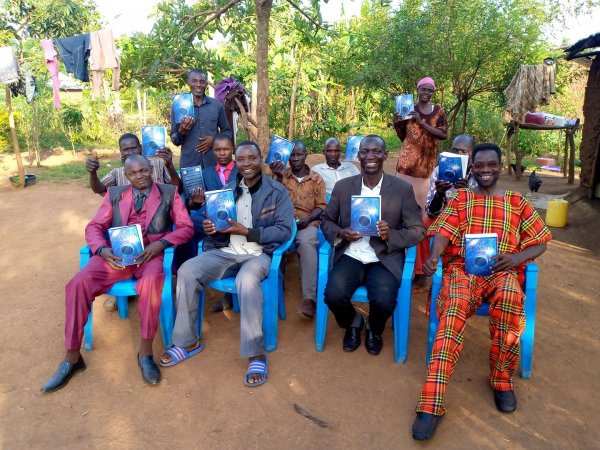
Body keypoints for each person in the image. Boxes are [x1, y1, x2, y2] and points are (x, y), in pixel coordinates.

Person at [412, 143, 551, 441]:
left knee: (512, 304)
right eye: (480, 165)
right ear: (471, 168)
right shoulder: (461, 198)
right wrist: (435, 255)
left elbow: (541, 240)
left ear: (500, 166)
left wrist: (516, 258)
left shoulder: (516, 201)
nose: (485, 169)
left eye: (491, 164)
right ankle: (431, 402)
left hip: (503, 272)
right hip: (463, 271)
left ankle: (501, 379)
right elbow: (443, 232)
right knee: (451, 316)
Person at [40, 155, 194, 392]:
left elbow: (185, 228)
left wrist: (161, 244)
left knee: (152, 283)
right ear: (127, 174)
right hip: (117, 256)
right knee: (77, 283)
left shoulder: (169, 192)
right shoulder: (115, 195)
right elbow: (94, 227)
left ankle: (145, 353)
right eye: (133, 173)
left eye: (144, 170)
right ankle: (72, 357)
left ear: (151, 170)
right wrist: (102, 250)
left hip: (150, 256)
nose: (140, 176)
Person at [160, 141, 294, 387]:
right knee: (188, 270)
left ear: (260, 158)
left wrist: (248, 232)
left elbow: (285, 231)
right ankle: (187, 341)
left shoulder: (277, 191)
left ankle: (256, 353)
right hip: (227, 252)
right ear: (236, 161)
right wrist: (213, 229)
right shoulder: (229, 189)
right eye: (241, 159)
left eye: (251, 158)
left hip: (259, 254)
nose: (246, 164)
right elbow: (218, 223)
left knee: (247, 279)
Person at [320, 135, 425, 355]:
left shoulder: (401, 189)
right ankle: (353, 321)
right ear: (358, 156)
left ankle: (374, 329)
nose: (370, 156)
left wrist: (391, 235)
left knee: (385, 300)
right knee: (333, 295)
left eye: (376, 151)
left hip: (383, 257)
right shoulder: (343, 187)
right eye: (365, 151)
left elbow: (418, 230)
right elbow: (326, 220)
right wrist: (341, 232)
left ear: (385, 155)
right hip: (352, 253)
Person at [393, 77, 447, 290]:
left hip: (425, 172)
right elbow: (403, 137)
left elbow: (443, 134)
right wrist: (399, 123)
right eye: (423, 89)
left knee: (423, 220)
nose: (426, 93)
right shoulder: (408, 108)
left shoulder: (438, 112)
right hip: (405, 169)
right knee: (400, 217)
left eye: (430, 90)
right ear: (417, 90)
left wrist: (421, 122)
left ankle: (419, 271)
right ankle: (399, 265)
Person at [270, 140, 327, 319]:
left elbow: (322, 206)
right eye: (292, 155)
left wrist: (308, 219)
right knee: (269, 240)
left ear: (305, 155)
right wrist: (278, 178)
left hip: (307, 223)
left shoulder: (317, 179)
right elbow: (272, 200)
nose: (295, 159)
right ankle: (270, 286)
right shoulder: (282, 175)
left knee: (307, 242)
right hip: (283, 222)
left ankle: (309, 299)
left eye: (299, 154)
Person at [170, 69, 233, 169]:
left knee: (214, 185)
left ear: (206, 84)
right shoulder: (179, 106)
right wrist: (181, 132)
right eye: (194, 81)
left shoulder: (216, 106)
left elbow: (228, 132)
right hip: (190, 164)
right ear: (188, 82)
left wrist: (214, 139)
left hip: (213, 164)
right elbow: (175, 141)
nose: (198, 84)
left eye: (202, 81)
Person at [86, 133, 180, 195]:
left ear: (141, 147)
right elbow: (98, 189)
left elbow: (177, 190)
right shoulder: (117, 173)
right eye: (126, 150)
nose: (130, 152)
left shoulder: (159, 165)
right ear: (121, 152)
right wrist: (92, 173)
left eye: (134, 148)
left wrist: (170, 166)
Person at [424, 134, 477, 218]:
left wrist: (467, 193)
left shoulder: (478, 174)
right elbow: (431, 214)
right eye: (455, 150)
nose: (459, 155)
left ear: (473, 153)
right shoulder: (439, 172)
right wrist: (439, 194)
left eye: (464, 151)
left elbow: (480, 212)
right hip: (445, 220)